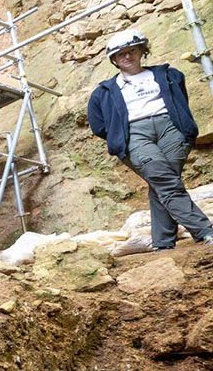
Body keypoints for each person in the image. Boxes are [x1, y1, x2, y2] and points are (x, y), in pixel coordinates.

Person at [88, 29, 213, 249]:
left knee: (163, 184)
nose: (127, 57)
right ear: (114, 60)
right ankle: (205, 231)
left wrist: (184, 128)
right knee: (165, 181)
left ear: (142, 51)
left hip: (170, 128)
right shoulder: (104, 92)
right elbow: (99, 125)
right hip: (134, 134)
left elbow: (180, 101)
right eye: (121, 54)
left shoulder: (170, 75)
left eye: (132, 51)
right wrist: (120, 136)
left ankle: (163, 243)